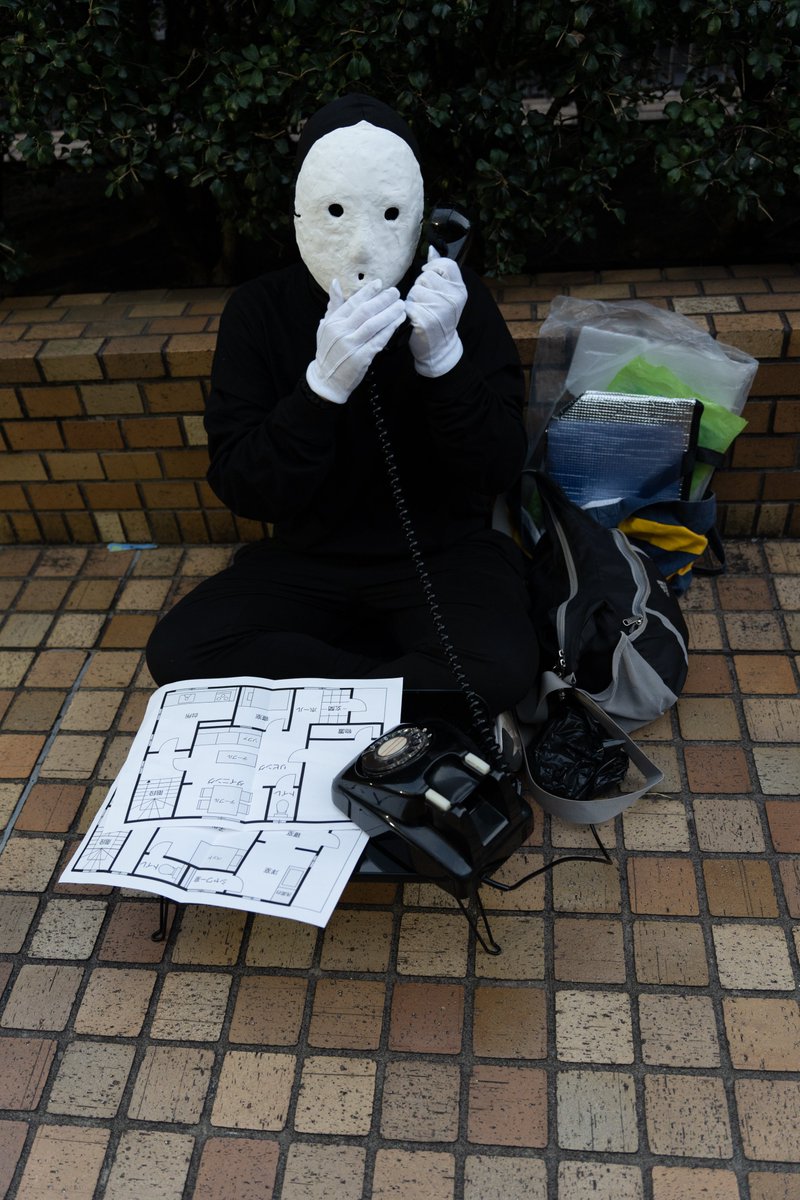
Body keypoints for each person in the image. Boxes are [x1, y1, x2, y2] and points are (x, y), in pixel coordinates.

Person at [145, 93, 539, 717]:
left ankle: (341, 691)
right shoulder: (259, 311)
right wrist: (320, 390)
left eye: (389, 213)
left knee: (503, 665)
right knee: (180, 650)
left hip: (442, 555)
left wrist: (444, 360)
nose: (359, 249)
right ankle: (403, 693)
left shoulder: (455, 302)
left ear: (419, 218)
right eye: (336, 212)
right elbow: (244, 484)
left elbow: (499, 466)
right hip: (307, 560)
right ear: (301, 213)